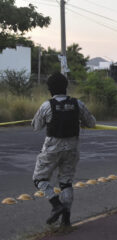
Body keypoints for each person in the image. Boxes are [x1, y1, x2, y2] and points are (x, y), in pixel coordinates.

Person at [32, 72, 96, 226]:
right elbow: (92, 123)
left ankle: (56, 205)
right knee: (66, 182)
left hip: (52, 148)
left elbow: (36, 126)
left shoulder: (47, 105)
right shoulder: (77, 104)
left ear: (50, 89)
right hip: (72, 148)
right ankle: (66, 220)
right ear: (66, 87)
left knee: (39, 179)